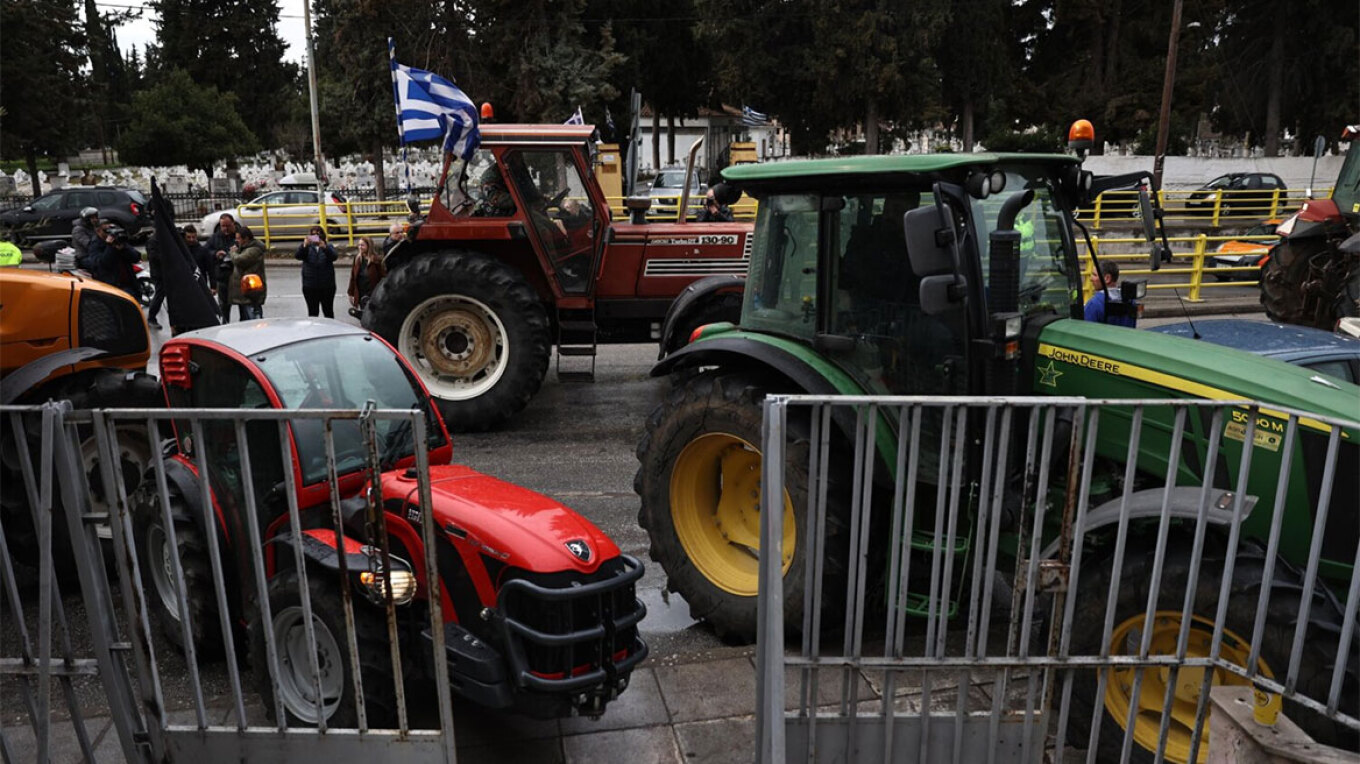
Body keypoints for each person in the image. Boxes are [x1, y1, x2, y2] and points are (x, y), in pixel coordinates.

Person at [85, 219, 140, 299]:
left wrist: (123, 249)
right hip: (110, 288)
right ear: (98, 231)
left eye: (110, 229)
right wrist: (110, 247)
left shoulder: (118, 240)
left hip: (129, 285)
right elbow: (103, 264)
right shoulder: (95, 245)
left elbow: (136, 257)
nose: (109, 233)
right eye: (106, 230)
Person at [294, 226, 339, 318]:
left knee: (328, 311)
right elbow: (298, 256)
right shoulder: (307, 247)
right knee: (313, 312)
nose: (316, 236)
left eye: (318, 234)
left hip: (327, 286)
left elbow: (334, 257)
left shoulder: (328, 246)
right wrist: (304, 245)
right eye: (313, 234)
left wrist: (324, 247)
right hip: (310, 286)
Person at [229, 225, 267, 320]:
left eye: (238, 238)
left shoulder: (254, 249)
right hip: (245, 291)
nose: (236, 241)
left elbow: (239, 260)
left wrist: (233, 253)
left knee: (253, 318)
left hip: (251, 292)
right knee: (245, 318)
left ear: (246, 238)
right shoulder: (244, 248)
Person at [206, 214, 239, 322]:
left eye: (228, 226)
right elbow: (205, 251)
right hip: (223, 276)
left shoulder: (240, 235)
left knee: (242, 304)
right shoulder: (216, 237)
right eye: (222, 226)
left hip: (238, 275)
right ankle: (225, 324)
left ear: (233, 224)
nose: (225, 229)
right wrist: (216, 254)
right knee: (224, 305)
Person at [1084, 261, 1136, 327]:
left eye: (1094, 275)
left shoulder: (1094, 304)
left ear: (1107, 278)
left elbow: (1087, 331)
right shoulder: (1131, 301)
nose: (1091, 279)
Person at [347, 236, 387, 318]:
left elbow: (383, 277)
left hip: (373, 293)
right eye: (359, 245)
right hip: (361, 293)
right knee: (364, 315)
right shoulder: (357, 259)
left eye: (362, 245)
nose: (360, 247)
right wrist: (351, 293)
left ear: (369, 246)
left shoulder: (376, 260)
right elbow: (353, 277)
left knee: (373, 316)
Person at [182, 225, 216, 292]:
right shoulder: (181, 250)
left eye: (193, 237)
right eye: (188, 237)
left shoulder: (203, 251)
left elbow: (211, 269)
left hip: (200, 284)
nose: (191, 239)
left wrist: (213, 286)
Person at [143, 229, 166, 328]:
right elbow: (153, 257)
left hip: (165, 272)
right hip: (159, 274)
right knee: (159, 295)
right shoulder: (153, 241)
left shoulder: (163, 238)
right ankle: (151, 318)